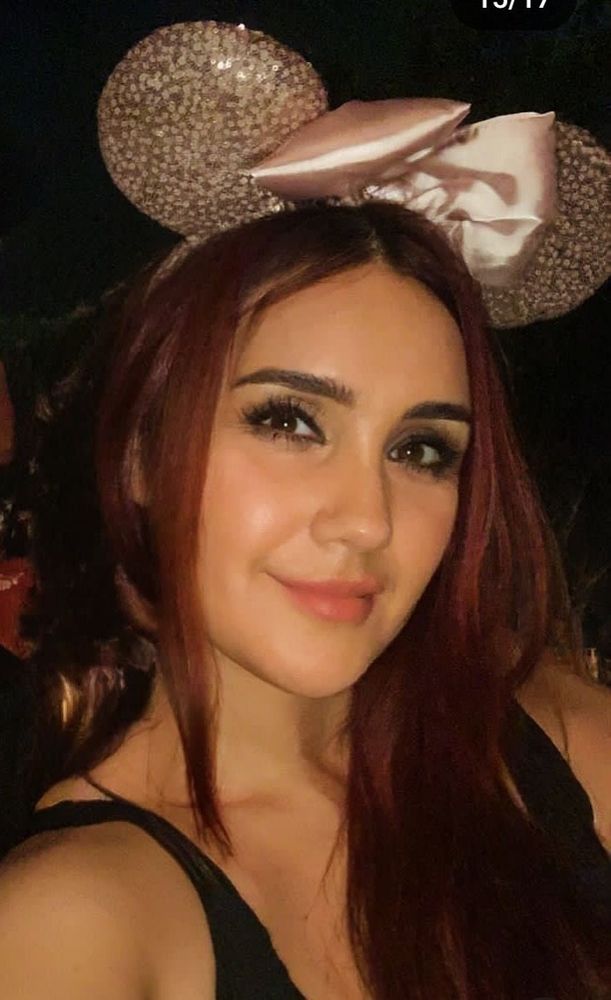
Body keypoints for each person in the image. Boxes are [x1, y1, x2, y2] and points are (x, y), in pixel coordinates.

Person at [1, 21, 610, 1000]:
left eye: (419, 450)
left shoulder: (551, 742)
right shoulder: (72, 922)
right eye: (288, 421)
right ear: (141, 454)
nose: (365, 520)